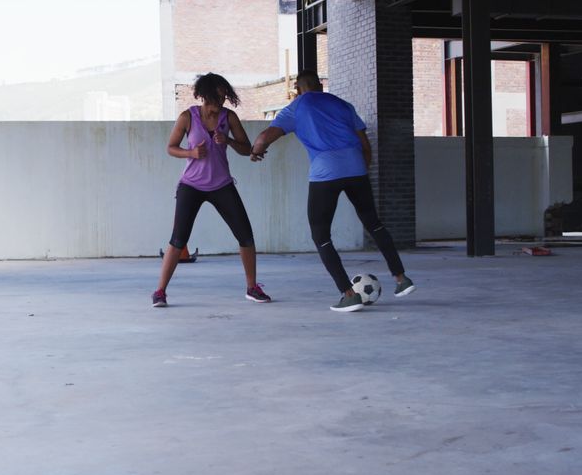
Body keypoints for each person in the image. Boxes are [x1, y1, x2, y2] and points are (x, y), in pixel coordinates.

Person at [250, 70, 414, 312]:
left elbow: (265, 137)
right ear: (320, 86)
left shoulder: (297, 107)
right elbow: (365, 145)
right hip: (356, 167)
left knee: (321, 235)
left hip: (325, 172)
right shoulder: (342, 104)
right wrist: (359, 171)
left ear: (298, 88)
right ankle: (401, 279)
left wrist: (256, 152)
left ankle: (348, 294)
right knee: (374, 223)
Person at [152, 73, 271, 308]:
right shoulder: (188, 117)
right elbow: (171, 148)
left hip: (221, 185)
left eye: (224, 96)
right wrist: (191, 153)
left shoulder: (230, 117)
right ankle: (160, 291)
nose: (221, 101)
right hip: (191, 185)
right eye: (216, 97)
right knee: (178, 239)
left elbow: (247, 149)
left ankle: (252, 288)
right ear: (203, 96)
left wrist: (226, 140)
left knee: (245, 235)